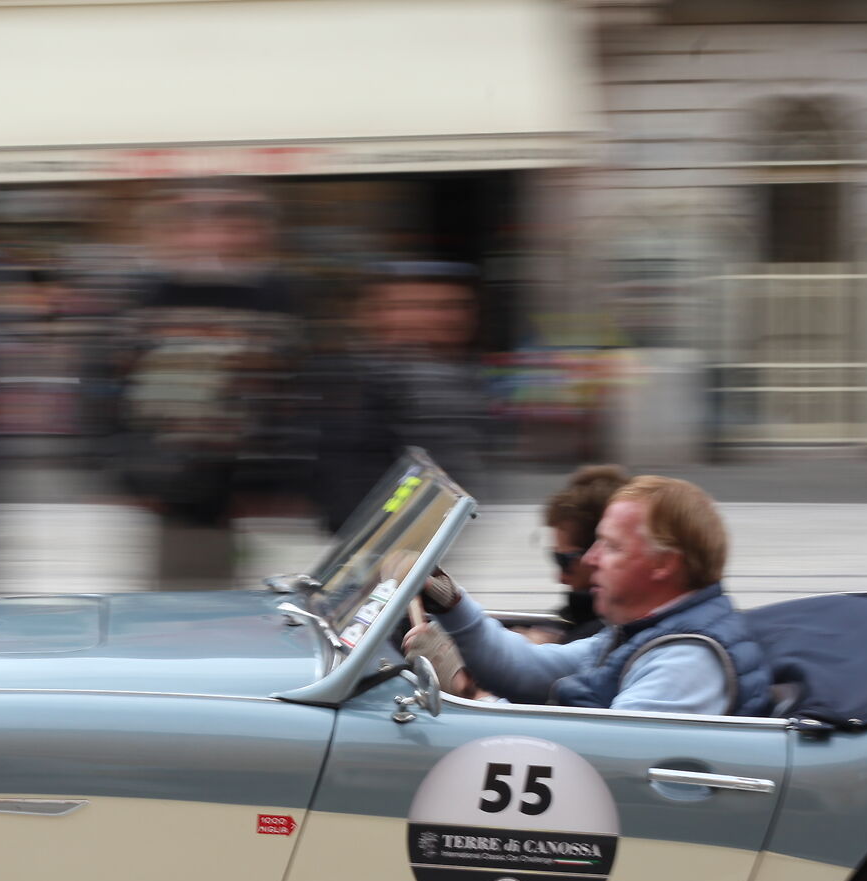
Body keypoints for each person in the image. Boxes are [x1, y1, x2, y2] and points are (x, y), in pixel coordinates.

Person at [401, 475, 773, 717]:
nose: (592, 560)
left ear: (665, 564)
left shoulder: (686, 660)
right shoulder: (642, 632)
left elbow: (598, 761)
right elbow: (530, 669)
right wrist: (450, 603)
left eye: (611, 546)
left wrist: (469, 694)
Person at [91, 184, 310, 588]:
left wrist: (278, 479)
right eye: (201, 226)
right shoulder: (149, 297)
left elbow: (288, 389)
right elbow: (113, 387)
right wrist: (129, 475)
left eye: (237, 226)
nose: (218, 238)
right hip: (175, 487)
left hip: (250, 490)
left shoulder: (276, 296)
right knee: (186, 599)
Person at [315, 262, 497, 523]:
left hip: (447, 528)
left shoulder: (464, 377)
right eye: (418, 306)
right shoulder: (355, 382)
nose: (445, 318)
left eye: (456, 306)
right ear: (374, 313)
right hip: (387, 533)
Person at [528, 463, 631, 643]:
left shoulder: (609, 632)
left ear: (599, 555)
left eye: (564, 561)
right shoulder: (577, 617)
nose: (560, 578)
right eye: (555, 557)